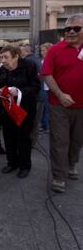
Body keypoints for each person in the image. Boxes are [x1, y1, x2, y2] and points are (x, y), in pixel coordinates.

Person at [41, 13, 83, 193]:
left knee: (77, 140)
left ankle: (72, 163)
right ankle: (59, 175)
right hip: (59, 105)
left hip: (81, 107)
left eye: (76, 28)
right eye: (67, 29)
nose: (71, 31)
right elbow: (47, 74)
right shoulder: (55, 50)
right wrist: (60, 94)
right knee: (60, 140)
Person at [0, 44, 40, 179]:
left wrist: (19, 91)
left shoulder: (29, 66)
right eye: (1, 57)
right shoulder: (4, 69)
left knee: (24, 138)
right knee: (8, 137)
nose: (3, 60)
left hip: (25, 109)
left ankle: (24, 165)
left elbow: (36, 87)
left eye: (6, 57)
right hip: (8, 109)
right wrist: (0, 89)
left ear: (16, 56)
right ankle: (12, 163)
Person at [39, 42, 53, 133]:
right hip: (42, 87)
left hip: (49, 88)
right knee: (43, 108)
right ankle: (44, 125)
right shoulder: (41, 60)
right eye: (41, 50)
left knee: (47, 108)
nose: (41, 52)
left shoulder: (51, 61)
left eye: (43, 50)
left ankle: (46, 126)